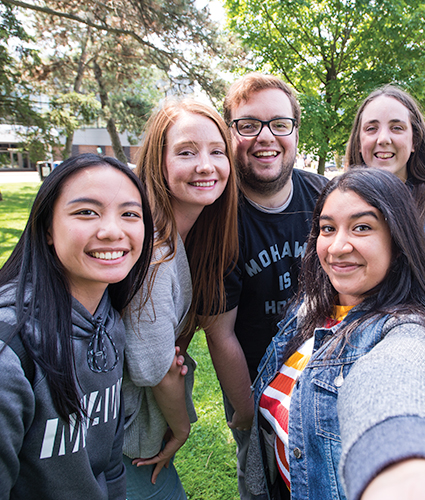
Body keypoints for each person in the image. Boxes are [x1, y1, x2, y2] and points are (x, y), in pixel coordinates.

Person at [245, 168, 425, 500]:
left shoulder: (413, 330)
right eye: (327, 228)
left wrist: (406, 470)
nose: (337, 247)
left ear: (398, 238)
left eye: (362, 227)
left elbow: (392, 382)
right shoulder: (309, 307)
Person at [0, 154, 153, 500]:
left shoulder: (109, 320)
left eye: (130, 214)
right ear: (47, 229)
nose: (112, 231)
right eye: (86, 212)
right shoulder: (10, 354)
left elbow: (109, 465)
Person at [204, 73, 328, 499]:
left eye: (279, 123)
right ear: (229, 131)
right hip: (253, 385)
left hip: (323, 382)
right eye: (248, 124)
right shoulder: (217, 218)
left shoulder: (323, 195)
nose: (265, 137)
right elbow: (220, 335)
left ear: (295, 131)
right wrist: (244, 414)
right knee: (262, 486)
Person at [122, 99, 238, 499]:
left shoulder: (183, 237)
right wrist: (183, 426)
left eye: (217, 151)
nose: (206, 165)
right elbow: (156, 367)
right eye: (186, 152)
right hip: (116, 445)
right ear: (159, 161)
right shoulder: (154, 250)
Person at [346, 85, 425, 331]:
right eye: (371, 128)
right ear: (359, 142)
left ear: (414, 141)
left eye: (397, 127)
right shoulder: (342, 200)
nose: (383, 138)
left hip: (414, 343)